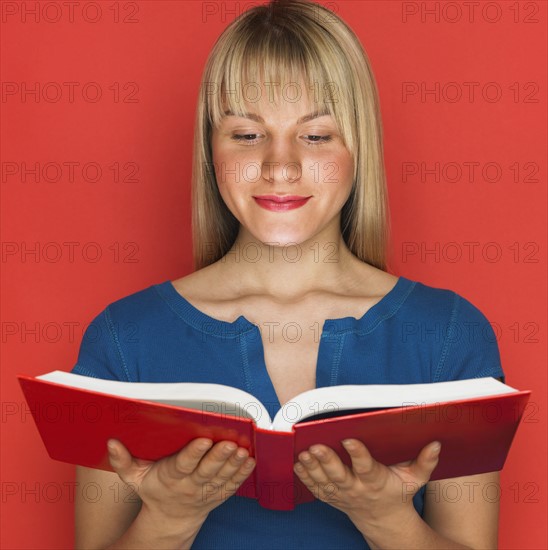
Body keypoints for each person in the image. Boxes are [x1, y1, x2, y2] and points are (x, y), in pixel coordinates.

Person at [72, 1, 504, 548]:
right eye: (247, 135)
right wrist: (169, 519)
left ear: (358, 148)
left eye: (317, 136)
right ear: (211, 148)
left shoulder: (450, 335)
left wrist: (386, 519)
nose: (281, 166)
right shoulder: (122, 340)